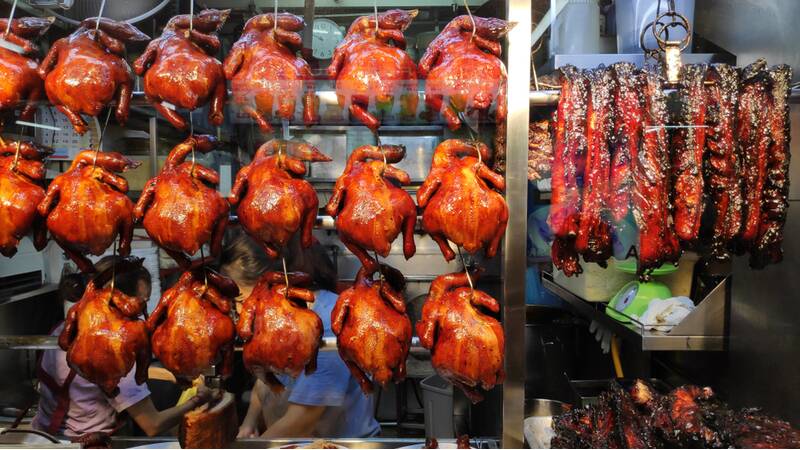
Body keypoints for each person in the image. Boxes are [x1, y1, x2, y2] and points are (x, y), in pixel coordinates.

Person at [32, 256, 217, 439]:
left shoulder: (64, 328)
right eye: (142, 302)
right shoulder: (114, 350)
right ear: (121, 301)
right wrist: (199, 400)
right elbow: (152, 425)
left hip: (42, 437)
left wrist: (167, 374)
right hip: (87, 443)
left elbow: (92, 379)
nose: (144, 313)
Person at [222, 229, 380, 439]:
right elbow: (267, 379)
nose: (239, 312)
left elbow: (303, 420)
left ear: (271, 284)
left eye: (241, 301)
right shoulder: (275, 322)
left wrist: (255, 448)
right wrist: (249, 423)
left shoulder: (325, 321)